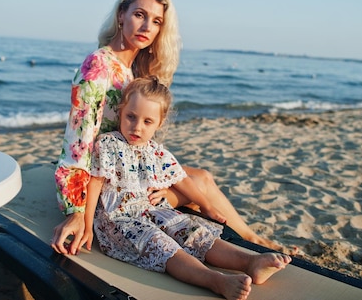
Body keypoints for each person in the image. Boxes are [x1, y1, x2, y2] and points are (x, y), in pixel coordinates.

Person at [52, 0, 294, 256]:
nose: (146, 27)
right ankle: (252, 243)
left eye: (156, 22)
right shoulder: (98, 66)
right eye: (140, 15)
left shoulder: (131, 71)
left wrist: (157, 178)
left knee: (201, 177)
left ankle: (252, 239)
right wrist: (75, 211)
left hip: (128, 168)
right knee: (197, 186)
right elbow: (77, 148)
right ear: (122, 14)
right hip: (105, 181)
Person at [84, 77, 291, 300]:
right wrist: (86, 226)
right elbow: (95, 183)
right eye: (131, 117)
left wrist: (207, 206)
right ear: (121, 112)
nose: (137, 127)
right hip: (120, 220)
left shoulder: (156, 151)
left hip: (153, 211)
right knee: (159, 243)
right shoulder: (109, 144)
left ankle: (249, 262)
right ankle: (216, 281)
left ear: (159, 123)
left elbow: (181, 179)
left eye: (147, 121)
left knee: (190, 229)